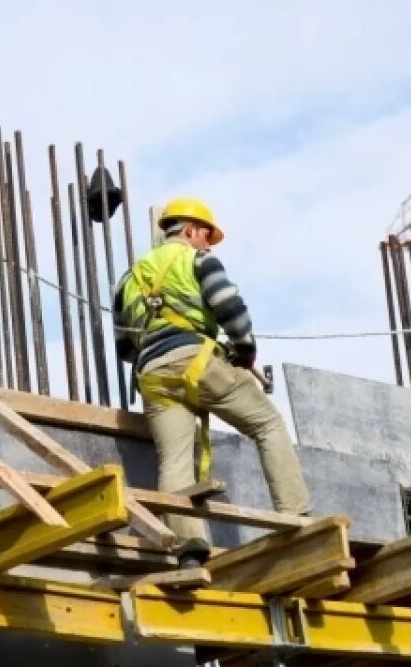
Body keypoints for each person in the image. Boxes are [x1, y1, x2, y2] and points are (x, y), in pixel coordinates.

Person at [112, 197, 311, 566]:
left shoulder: (129, 278)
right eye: (206, 236)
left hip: (153, 375)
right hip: (198, 361)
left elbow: (124, 346)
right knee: (267, 424)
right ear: (190, 231)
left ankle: (189, 550)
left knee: (173, 460)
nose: (208, 244)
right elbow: (230, 308)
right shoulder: (197, 259)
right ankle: (296, 518)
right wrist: (244, 349)